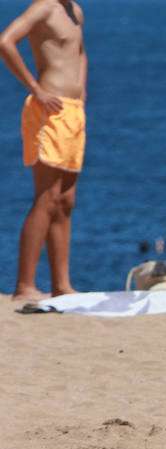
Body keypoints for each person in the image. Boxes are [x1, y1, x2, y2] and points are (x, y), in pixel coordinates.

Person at [1, 0, 84, 301]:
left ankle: (61, 284)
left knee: (65, 200)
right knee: (46, 197)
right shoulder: (43, 8)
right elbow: (5, 41)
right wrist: (36, 89)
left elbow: (80, 52)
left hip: (73, 111)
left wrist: (82, 89)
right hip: (49, 111)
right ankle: (24, 285)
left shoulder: (75, 11)